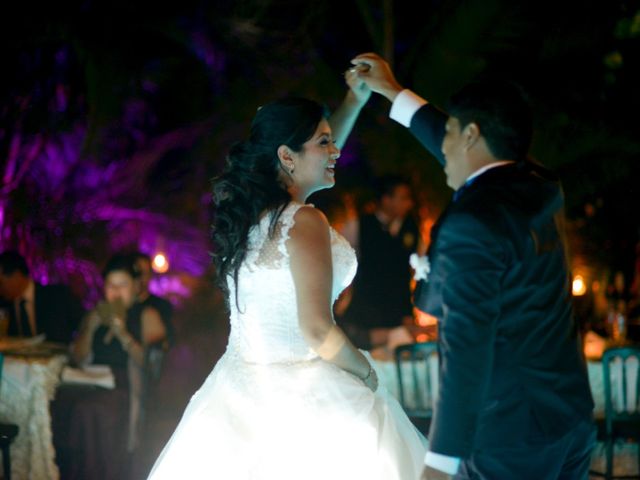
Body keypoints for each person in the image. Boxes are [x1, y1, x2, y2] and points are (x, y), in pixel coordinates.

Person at [147, 77, 427, 479]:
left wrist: (353, 101)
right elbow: (315, 329)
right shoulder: (305, 220)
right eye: (325, 143)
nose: (337, 152)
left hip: (239, 389)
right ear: (287, 156)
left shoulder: (252, 218)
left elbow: (308, 150)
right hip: (305, 391)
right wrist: (366, 373)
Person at [352, 52, 595, 480]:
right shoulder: (537, 186)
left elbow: (468, 348)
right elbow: (459, 137)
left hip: (508, 438)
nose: (442, 148)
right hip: (568, 421)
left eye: (449, 133)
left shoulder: (472, 223)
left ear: (470, 136)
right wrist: (393, 93)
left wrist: (440, 461)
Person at [52, 254, 167, 480]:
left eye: (122, 285)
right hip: (91, 380)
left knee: (91, 410)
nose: (115, 291)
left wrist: (124, 334)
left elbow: (153, 366)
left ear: (135, 286)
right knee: (60, 401)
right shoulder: (96, 313)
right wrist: (90, 329)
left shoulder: (147, 314)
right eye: (110, 285)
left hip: (124, 386)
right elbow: (78, 358)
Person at [338, 174, 421, 350]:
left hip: (399, 315)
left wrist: (408, 313)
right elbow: (340, 265)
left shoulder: (412, 228)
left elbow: (412, 272)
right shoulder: (358, 226)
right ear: (386, 199)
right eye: (404, 198)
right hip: (365, 314)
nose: (409, 203)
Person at [0, 250, 83, 343]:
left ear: (16, 275)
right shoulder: (5, 304)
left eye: (1, 283)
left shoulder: (56, 296)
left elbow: (82, 323)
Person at [132, 252, 175, 346]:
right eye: (138, 273)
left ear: (150, 275)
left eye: (145, 273)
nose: (141, 278)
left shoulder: (162, 306)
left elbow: (168, 342)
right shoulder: (126, 305)